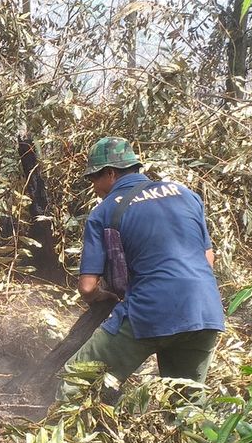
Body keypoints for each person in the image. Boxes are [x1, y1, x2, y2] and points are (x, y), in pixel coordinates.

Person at [59, 137, 225, 397]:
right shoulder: (187, 195)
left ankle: (58, 432)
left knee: (77, 379)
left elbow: (87, 287)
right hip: (205, 311)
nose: (93, 188)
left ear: (111, 173)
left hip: (151, 308)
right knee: (185, 404)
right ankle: (194, 438)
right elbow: (208, 260)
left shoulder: (104, 212)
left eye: (94, 179)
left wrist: (105, 296)